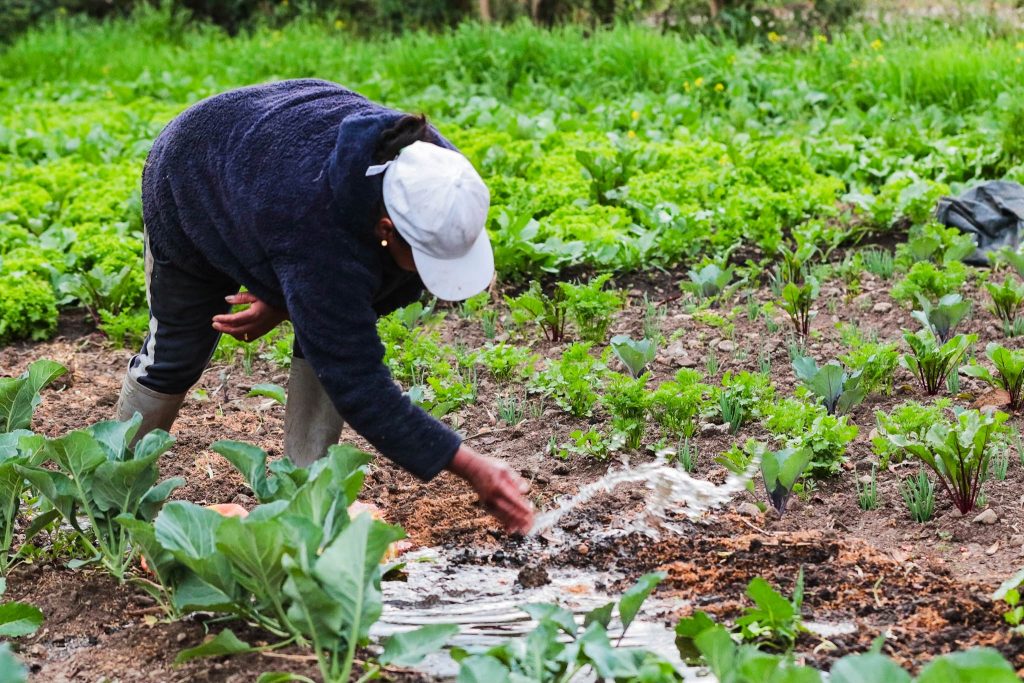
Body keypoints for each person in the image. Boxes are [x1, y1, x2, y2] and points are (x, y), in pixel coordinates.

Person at [115, 79, 534, 534]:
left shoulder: (440, 176)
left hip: (271, 176)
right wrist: (475, 468)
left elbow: (341, 311)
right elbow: (360, 385)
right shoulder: (317, 231)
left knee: (328, 331)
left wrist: (283, 298)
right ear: (386, 229)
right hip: (194, 170)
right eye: (424, 257)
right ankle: (116, 495)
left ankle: (306, 499)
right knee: (178, 352)